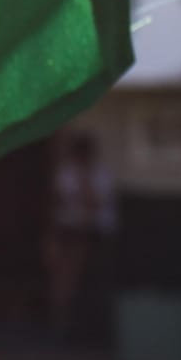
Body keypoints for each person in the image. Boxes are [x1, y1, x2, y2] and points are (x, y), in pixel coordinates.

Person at [43, 128, 117, 342]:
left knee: (94, 281)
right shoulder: (66, 172)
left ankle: (94, 331)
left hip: (96, 232)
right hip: (71, 231)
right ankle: (63, 326)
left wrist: (85, 183)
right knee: (66, 279)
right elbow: (60, 201)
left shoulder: (100, 174)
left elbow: (95, 203)